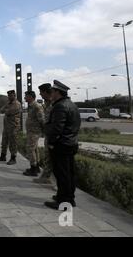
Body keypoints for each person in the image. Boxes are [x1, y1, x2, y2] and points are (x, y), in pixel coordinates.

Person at [44, 80, 81, 210]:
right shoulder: (71, 104)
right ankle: (68, 197)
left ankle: (64, 202)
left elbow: (57, 128)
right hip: (70, 144)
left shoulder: (60, 106)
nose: (51, 94)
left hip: (61, 145)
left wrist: (52, 143)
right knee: (69, 173)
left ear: (58, 92)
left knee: (62, 174)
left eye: (52, 91)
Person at [33, 83, 54, 184]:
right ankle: (46, 176)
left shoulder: (54, 103)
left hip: (54, 136)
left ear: (46, 92)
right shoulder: (46, 104)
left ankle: (47, 177)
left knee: (51, 157)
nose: (40, 94)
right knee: (47, 156)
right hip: (48, 135)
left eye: (41, 92)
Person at [0, 90, 22, 165]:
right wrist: (4, 110)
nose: (9, 97)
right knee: (4, 142)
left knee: (13, 143)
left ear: (14, 95)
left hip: (14, 127)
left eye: (11, 95)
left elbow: (9, 112)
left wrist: (5, 110)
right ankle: (3, 156)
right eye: (9, 96)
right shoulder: (8, 103)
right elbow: (2, 110)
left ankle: (13, 158)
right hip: (7, 126)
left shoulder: (17, 104)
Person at [23, 91, 44, 176]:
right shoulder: (31, 106)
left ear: (31, 97)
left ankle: (33, 169)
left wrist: (42, 132)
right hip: (31, 131)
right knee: (34, 149)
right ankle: (37, 167)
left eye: (26, 96)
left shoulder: (36, 106)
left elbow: (42, 120)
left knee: (30, 149)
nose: (25, 98)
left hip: (34, 132)